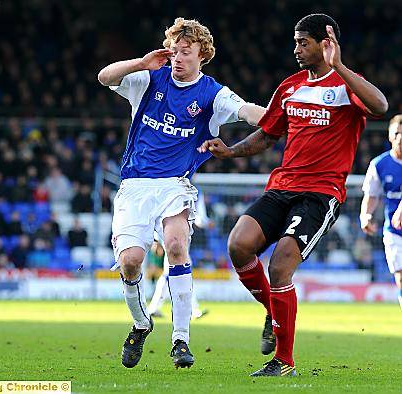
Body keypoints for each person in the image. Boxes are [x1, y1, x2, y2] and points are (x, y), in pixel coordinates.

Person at [199, 14, 388, 376]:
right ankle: (273, 310)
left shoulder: (347, 86)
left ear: (325, 43)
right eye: (296, 41)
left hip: (320, 194)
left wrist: (341, 66)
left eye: (304, 42)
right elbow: (268, 134)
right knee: (239, 244)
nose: (296, 49)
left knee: (281, 265)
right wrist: (230, 151)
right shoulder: (290, 86)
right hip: (282, 186)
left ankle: (283, 362)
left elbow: (380, 106)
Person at [98, 17, 265, 369]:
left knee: (176, 246)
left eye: (185, 52)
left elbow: (249, 112)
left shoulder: (212, 93)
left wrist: (284, 118)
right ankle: (141, 324)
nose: (177, 58)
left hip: (175, 184)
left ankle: (181, 340)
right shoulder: (148, 79)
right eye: (174, 51)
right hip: (134, 186)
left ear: (202, 54)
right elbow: (105, 77)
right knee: (130, 262)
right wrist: (142, 62)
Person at [148, 190, 210, 319]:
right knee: (183, 270)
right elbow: (201, 220)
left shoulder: (170, 187)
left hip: (170, 235)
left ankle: (154, 307)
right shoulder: (194, 191)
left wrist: (156, 238)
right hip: (178, 236)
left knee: (168, 273)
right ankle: (193, 309)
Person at [360, 114, 402, 308]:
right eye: (397, 133)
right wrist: (366, 216)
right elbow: (372, 195)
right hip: (394, 231)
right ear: (390, 136)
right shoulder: (379, 165)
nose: (401, 138)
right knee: (400, 277)